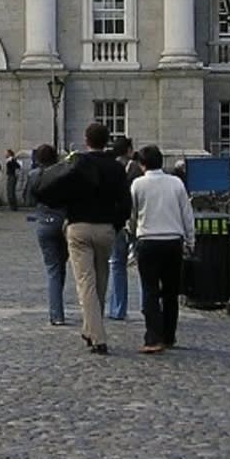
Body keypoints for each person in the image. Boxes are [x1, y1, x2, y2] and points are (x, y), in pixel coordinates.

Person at [41, 121, 131, 356]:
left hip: (79, 226)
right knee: (101, 281)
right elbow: (125, 203)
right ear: (107, 141)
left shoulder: (78, 164)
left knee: (86, 284)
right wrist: (116, 224)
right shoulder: (117, 168)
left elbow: (56, 191)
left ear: (86, 140)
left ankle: (98, 337)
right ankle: (90, 329)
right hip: (106, 229)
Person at [130, 144, 196, 353]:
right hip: (172, 241)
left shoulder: (138, 184)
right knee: (170, 292)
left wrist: (131, 234)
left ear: (142, 164)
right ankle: (169, 335)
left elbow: (132, 215)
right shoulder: (176, 183)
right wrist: (190, 241)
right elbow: (187, 214)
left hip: (148, 240)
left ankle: (153, 337)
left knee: (149, 290)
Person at [30, 142, 70, 326]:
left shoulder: (34, 175)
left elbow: (28, 198)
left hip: (44, 222)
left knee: (53, 269)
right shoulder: (63, 174)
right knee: (60, 266)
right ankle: (58, 308)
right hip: (62, 222)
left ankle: (56, 313)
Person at [106, 135, 141, 321]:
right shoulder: (136, 168)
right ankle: (144, 307)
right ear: (129, 151)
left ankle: (118, 309)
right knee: (140, 266)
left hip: (117, 221)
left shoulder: (110, 168)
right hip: (134, 220)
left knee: (117, 264)